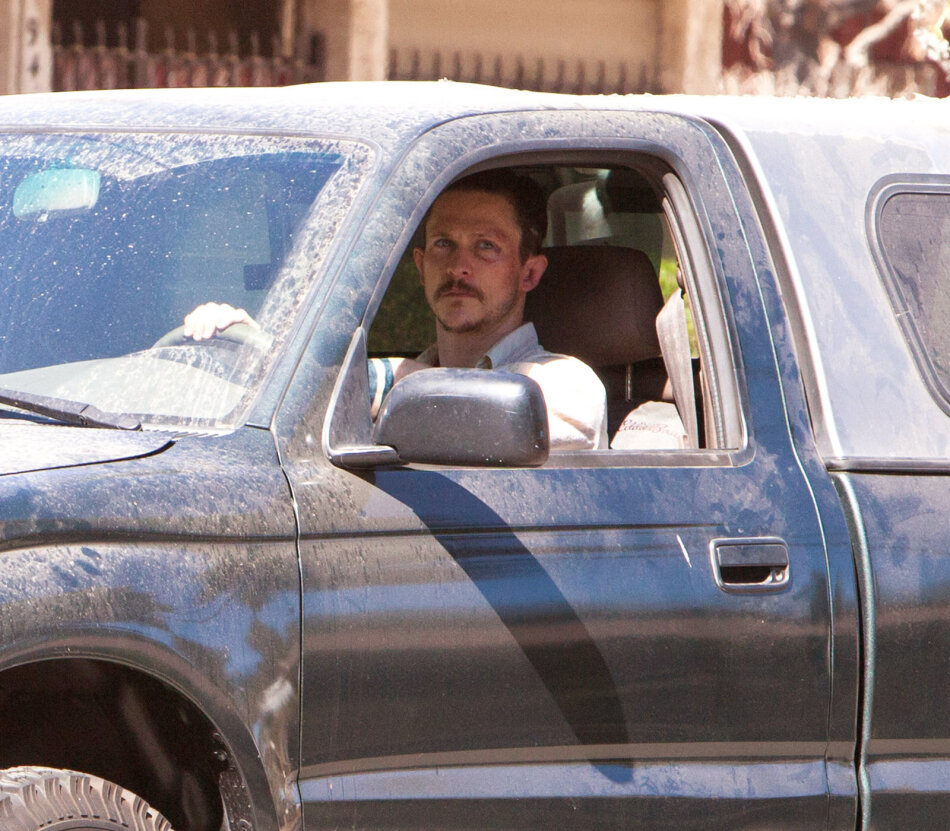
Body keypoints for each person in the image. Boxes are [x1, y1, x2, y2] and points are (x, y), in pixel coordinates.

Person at [184, 169, 608, 451]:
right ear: (420, 268)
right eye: (444, 243)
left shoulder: (566, 384)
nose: (459, 266)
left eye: (486, 246)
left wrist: (339, 378)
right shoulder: (407, 376)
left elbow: (473, 413)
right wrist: (243, 354)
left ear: (529, 273)